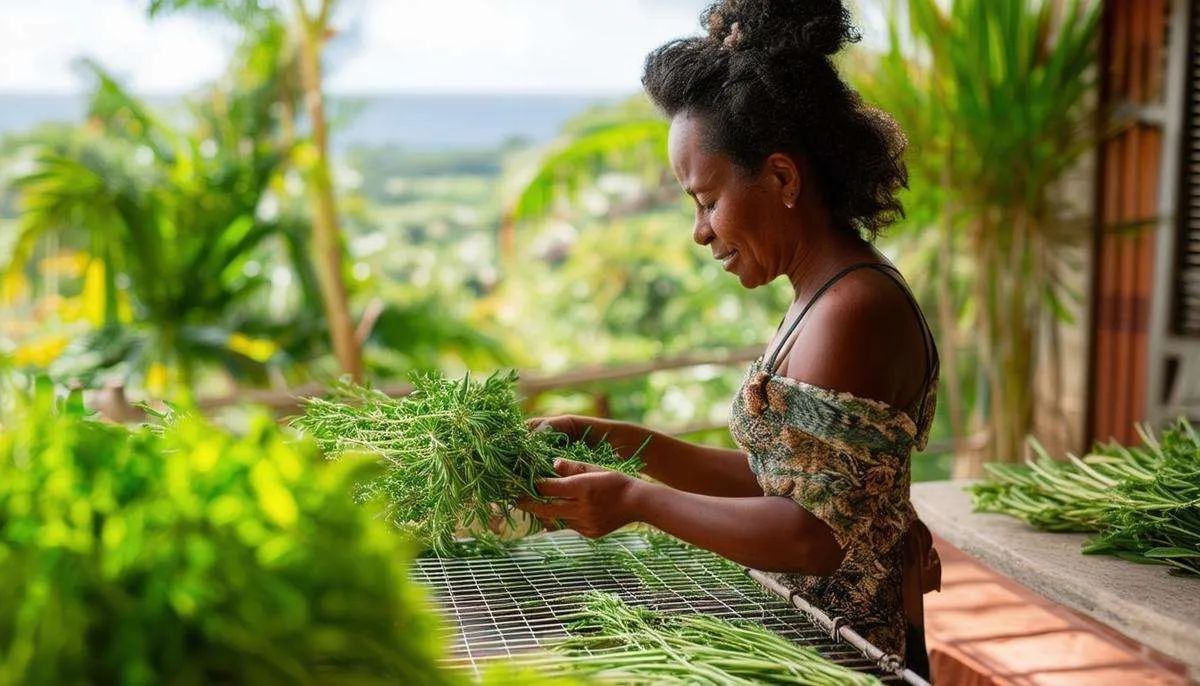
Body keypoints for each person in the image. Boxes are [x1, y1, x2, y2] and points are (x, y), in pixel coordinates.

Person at [515, 0, 941, 678]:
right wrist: (622, 443)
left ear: (781, 177)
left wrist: (633, 499)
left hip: (845, 658)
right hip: (802, 637)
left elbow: (812, 536)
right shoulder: (822, 295)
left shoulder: (852, 309)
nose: (701, 231)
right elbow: (779, 485)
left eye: (707, 199)